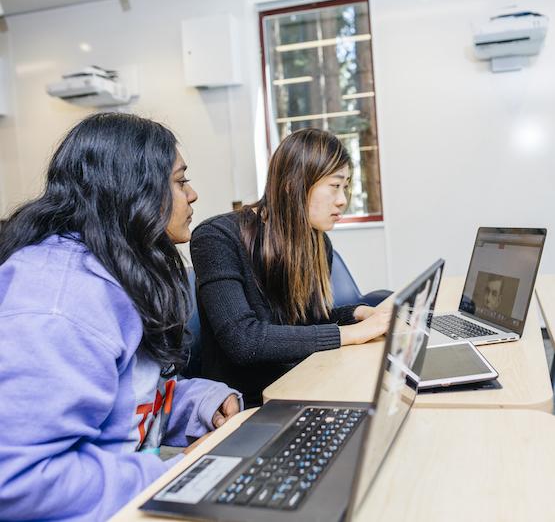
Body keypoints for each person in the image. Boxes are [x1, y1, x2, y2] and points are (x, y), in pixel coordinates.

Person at [0, 113, 242, 521]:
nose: (193, 194)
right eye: (180, 181)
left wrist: (199, 403)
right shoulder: (59, 303)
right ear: (133, 190)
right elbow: (18, 480)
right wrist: (168, 473)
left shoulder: (120, 271)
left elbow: (125, 397)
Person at [191, 128, 392, 408]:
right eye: (335, 186)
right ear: (292, 184)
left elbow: (304, 323)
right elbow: (244, 340)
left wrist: (356, 314)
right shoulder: (217, 237)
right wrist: (349, 334)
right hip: (248, 404)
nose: (343, 200)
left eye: (345, 187)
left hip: (305, 381)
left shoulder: (316, 241)